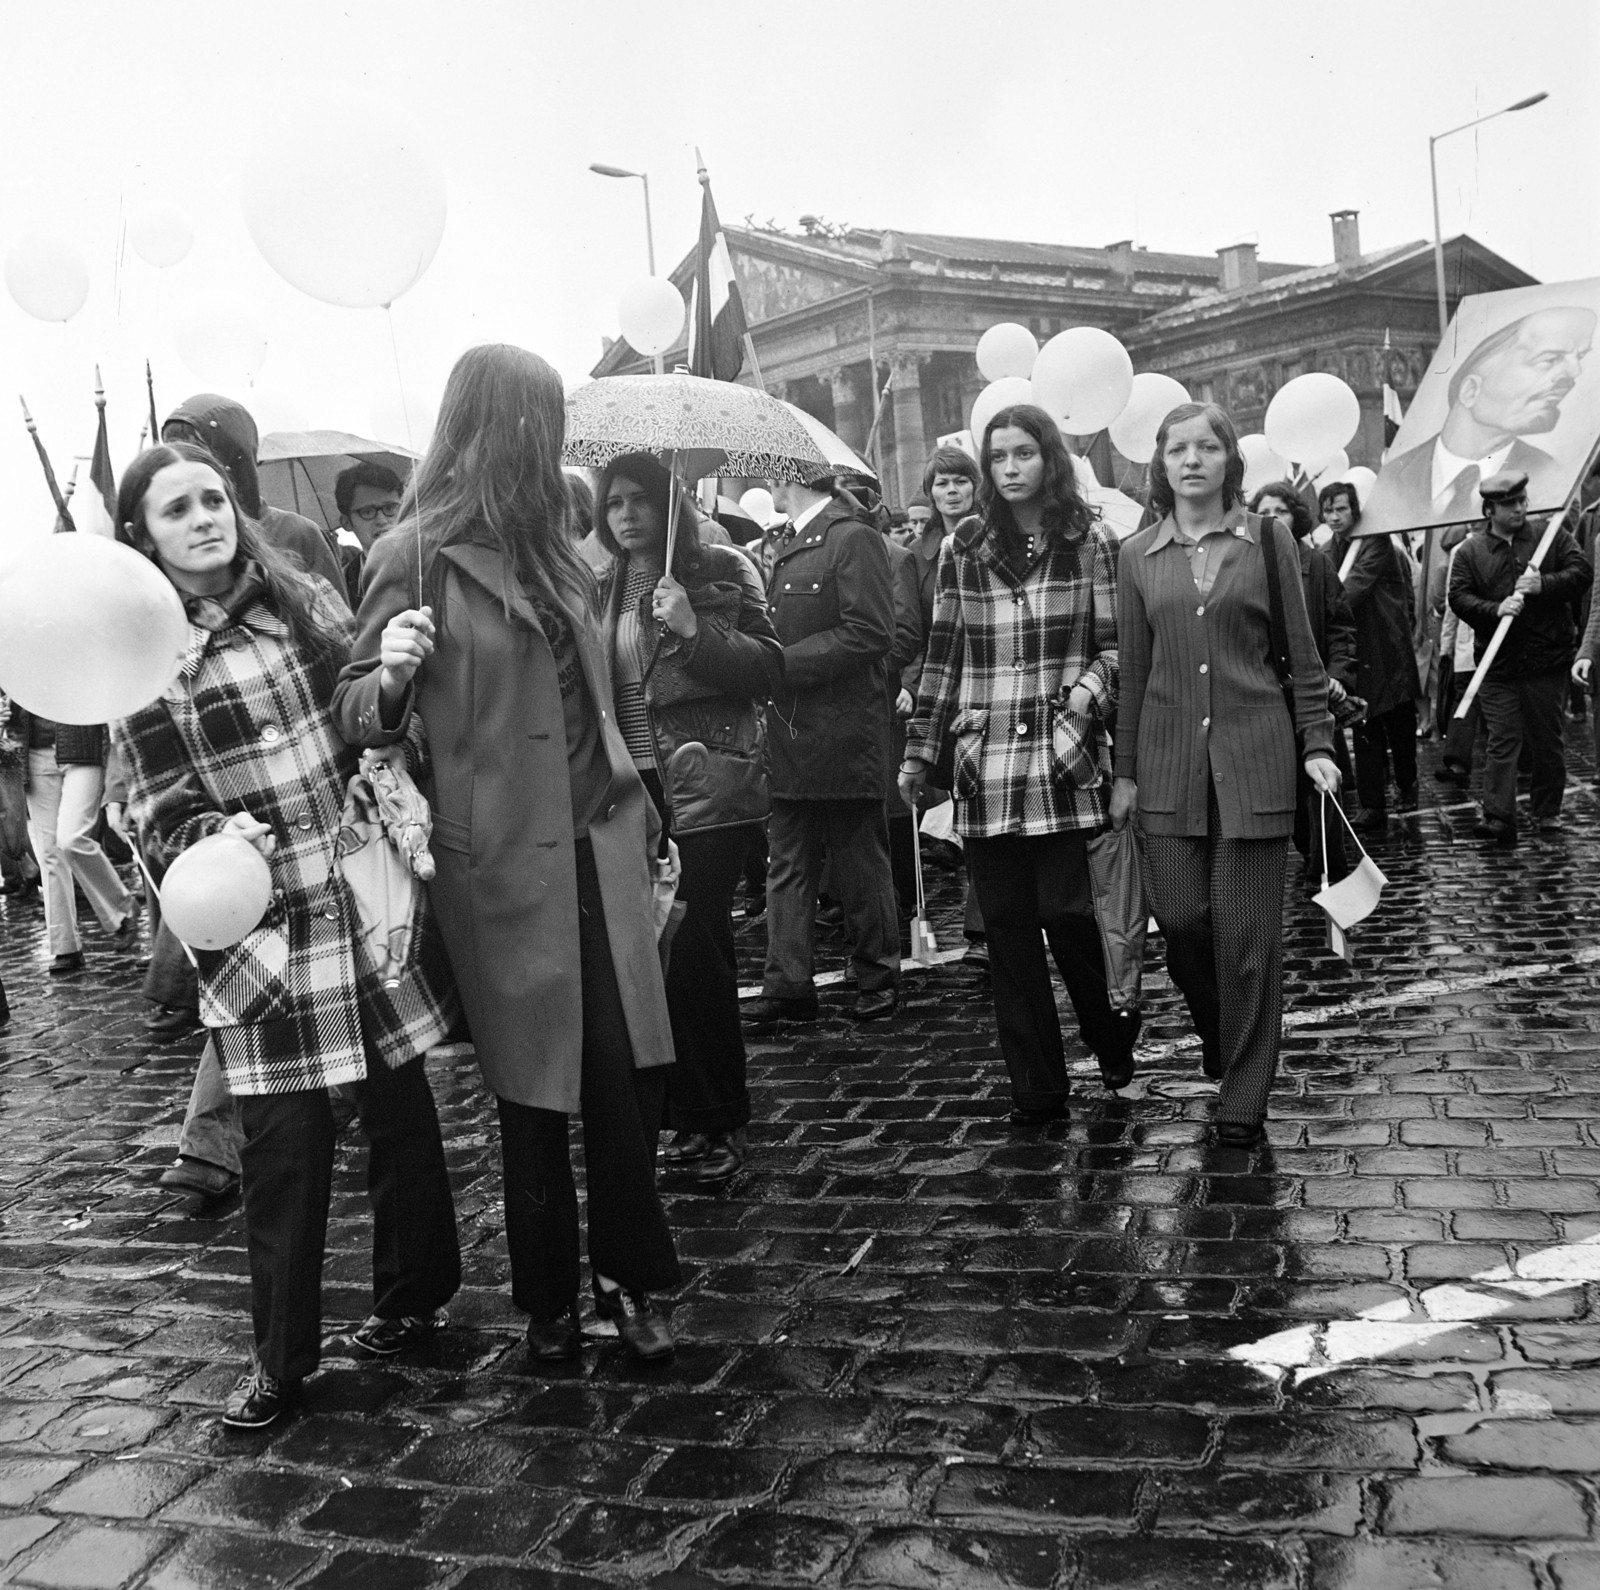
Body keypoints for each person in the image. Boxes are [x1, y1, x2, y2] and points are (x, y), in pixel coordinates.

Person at [332, 344, 681, 1365]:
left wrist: (644, 799)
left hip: (599, 840)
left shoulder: (563, 545)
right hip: (497, 864)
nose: (552, 438)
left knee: (625, 1072)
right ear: (493, 424)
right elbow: (357, 712)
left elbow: (599, 696)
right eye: (538, 419)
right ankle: (549, 1302)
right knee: (536, 1085)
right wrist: (391, 675)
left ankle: (627, 1275)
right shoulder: (410, 552)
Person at [113, 442, 461, 1428]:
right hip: (259, 918)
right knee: (283, 1145)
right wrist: (213, 836)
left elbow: (364, 718)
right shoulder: (146, 659)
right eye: (176, 509)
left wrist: (389, 690)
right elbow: (154, 813)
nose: (203, 519)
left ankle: (413, 1295)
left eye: (213, 499)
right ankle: (280, 1361)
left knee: (400, 1104)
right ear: (145, 535)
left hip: (358, 876)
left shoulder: (301, 605)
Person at [902, 404, 1135, 1123]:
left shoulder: (1091, 538)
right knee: (1005, 928)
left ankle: (1109, 1031)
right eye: (997, 456)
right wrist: (919, 755)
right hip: (988, 757)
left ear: (1049, 459)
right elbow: (943, 655)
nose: (1009, 469)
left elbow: (1118, 644)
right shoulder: (963, 547)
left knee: (1067, 913)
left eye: (1023, 454)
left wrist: (1086, 699)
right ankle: (1035, 1085)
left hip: (1061, 757)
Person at [1115, 403, 1340, 1147]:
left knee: (1249, 939)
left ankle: (1245, 1092)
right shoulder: (1136, 555)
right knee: (1180, 921)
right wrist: (1124, 771)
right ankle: (1223, 1029)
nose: (1192, 459)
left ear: (1228, 460)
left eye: (1207, 446)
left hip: (1256, 762)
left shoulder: (1268, 541)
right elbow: (1135, 673)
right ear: (1161, 462)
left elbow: (1303, 658)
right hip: (1167, 765)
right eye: (1177, 447)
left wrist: (1318, 742)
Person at [594, 453, 783, 1187]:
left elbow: (770, 668)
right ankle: (689, 1117)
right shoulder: (602, 587)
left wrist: (695, 629)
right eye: (613, 504)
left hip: (708, 783)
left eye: (640, 500)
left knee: (700, 947)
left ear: (668, 502)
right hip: (632, 784)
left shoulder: (722, 568)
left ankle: (721, 1119)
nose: (626, 515)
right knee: (660, 954)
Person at [742, 470, 901, 1029]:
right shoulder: (794, 541)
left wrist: (783, 665)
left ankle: (877, 976)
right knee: (787, 862)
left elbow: (870, 632)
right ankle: (787, 985)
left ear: (791, 479)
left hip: (842, 731)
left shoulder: (851, 536)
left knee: (858, 863)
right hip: (793, 731)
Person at [1450, 470, 1591, 845]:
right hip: (1498, 666)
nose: (1519, 508)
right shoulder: (1471, 551)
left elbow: (1581, 573)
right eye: (1509, 503)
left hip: (1547, 661)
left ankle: (1547, 811)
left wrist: (1545, 585)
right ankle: (1498, 817)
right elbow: (1459, 597)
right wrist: (1494, 609)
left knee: (1546, 740)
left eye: (1522, 501)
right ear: (1489, 509)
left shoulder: (1550, 535)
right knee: (1502, 738)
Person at [1368, 307, 1596, 532]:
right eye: (1549, 359)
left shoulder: (1553, 477)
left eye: (1579, 358)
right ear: (1471, 390)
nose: (1574, 373)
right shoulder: (1393, 479)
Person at [1250, 482, 1357, 882]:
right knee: (1288, 790)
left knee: (1325, 789)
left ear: (1296, 517)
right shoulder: (1249, 563)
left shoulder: (1317, 565)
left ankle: (1328, 869)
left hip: (1314, 696)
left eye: (1282, 510)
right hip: (1269, 699)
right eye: (1266, 510)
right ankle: (1309, 851)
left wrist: (1338, 675)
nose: (1274, 518)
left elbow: (1341, 628)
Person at [911, 444, 988, 967]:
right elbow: (915, 629)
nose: (951, 491)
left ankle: (982, 930)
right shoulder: (916, 554)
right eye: (941, 483)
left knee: (979, 810)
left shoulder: (986, 539)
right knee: (958, 813)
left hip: (982, 688)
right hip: (936, 693)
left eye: (960, 480)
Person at [162, 395, 345, 592]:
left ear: (231, 458)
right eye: (174, 453)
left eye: (196, 454)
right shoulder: (174, 536)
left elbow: (338, 618)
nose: (183, 465)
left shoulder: (297, 533)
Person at [1323, 482, 1421, 832]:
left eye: (1341, 509)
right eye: (1328, 511)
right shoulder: (1326, 549)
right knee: (1363, 723)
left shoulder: (1376, 543)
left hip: (1388, 648)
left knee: (1399, 724)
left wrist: (1321, 610)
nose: (1334, 517)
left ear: (1355, 510)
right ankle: (1372, 805)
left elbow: (1351, 591)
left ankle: (1407, 783)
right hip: (1357, 651)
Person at [19, 707, 138, 976]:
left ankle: (121, 908)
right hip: (33, 753)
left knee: (71, 838)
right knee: (49, 852)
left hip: (82, 747)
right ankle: (65, 948)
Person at [333, 461, 405, 604]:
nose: (382, 520)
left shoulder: (431, 565)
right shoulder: (341, 584)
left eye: (390, 509)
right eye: (367, 512)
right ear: (346, 523)